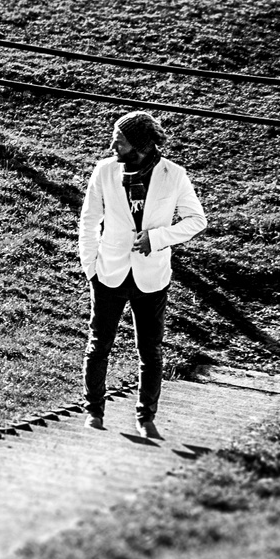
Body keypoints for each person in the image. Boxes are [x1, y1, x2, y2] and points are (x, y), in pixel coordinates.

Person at [76, 111, 205, 436]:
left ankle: (146, 418)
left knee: (150, 351)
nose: (112, 145)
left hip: (152, 277)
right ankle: (94, 411)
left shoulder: (173, 175)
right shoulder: (104, 171)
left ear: (139, 145)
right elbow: (89, 221)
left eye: (119, 140)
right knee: (98, 344)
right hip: (108, 274)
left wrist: (158, 237)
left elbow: (196, 220)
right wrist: (90, 267)